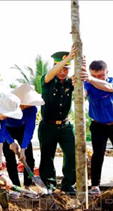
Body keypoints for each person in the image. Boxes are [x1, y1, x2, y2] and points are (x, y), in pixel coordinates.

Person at [38, 46, 86, 195]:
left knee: (72, 154)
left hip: (65, 125)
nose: (63, 72)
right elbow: (49, 74)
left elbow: (82, 90)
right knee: (47, 156)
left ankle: (68, 185)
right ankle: (49, 185)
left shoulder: (70, 83)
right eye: (61, 68)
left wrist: (82, 69)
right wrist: (67, 58)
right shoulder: (48, 80)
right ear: (55, 67)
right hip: (48, 125)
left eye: (66, 69)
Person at [81, 60, 113, 195]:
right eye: (94, 76)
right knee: (98, 154)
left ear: (107, 73)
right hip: (98, 125)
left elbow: (109, 88)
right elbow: (82, 94)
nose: (98, 78)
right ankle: (94, 186)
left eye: (101, 75)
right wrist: (79, 85)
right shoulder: (88, 84)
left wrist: (90, 78)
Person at [3, 83, 44, 199]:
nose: (27, 105)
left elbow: (29, 128)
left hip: (22, 130)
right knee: (10, 158)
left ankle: (26, 186)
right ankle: (15, 187)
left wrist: (24, 148)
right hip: (7, 130)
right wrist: (10, 142)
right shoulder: (8, 105)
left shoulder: (32, 109)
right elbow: (1, 126)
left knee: (29, 158)